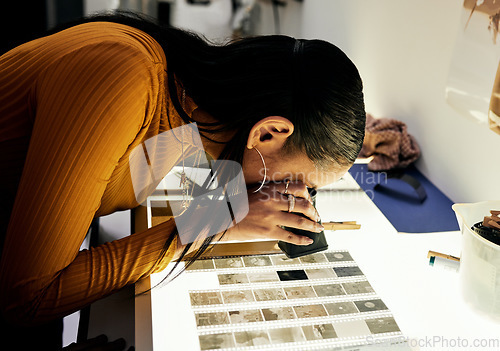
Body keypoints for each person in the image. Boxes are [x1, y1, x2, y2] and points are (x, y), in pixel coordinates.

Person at [0, 11, 365, 349]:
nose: (289, 193)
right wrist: (215, 222)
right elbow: (29, 299)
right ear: (268, 132)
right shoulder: (127, 82)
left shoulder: (190, 110)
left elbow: (185, 192)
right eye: (293, 181)